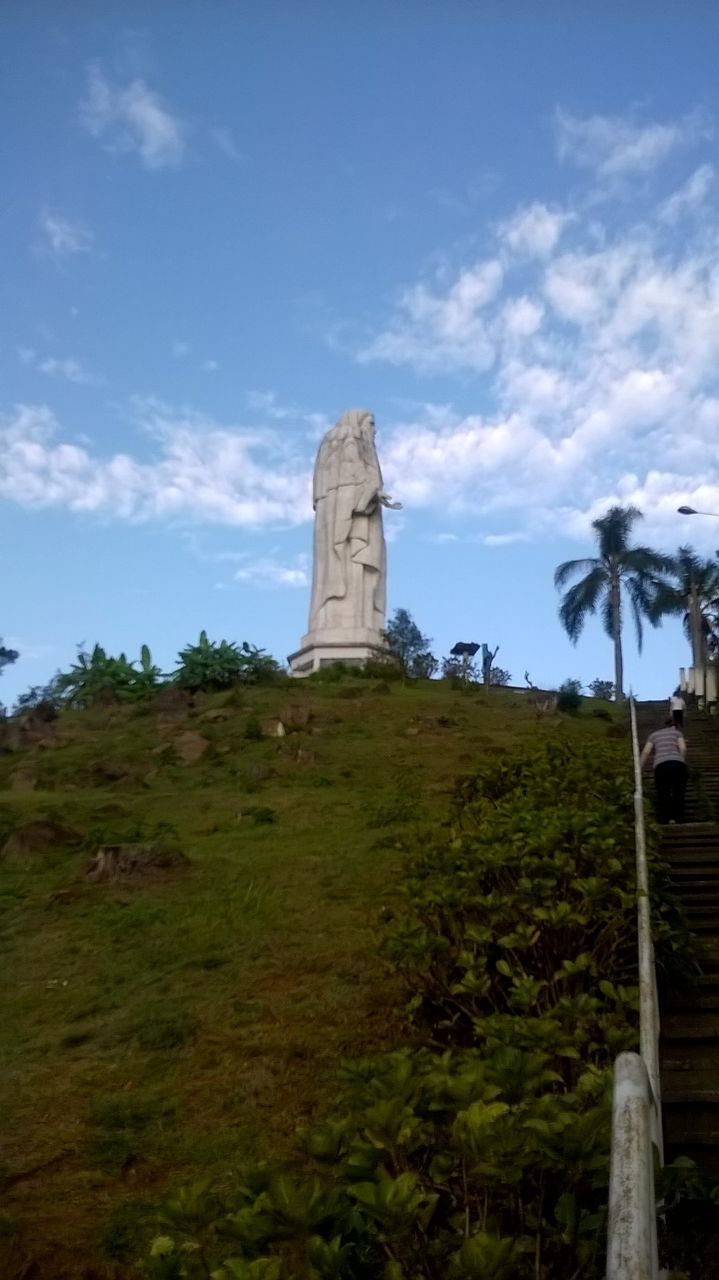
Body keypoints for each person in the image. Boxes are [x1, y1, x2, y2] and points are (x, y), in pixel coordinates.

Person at [640, 716, 688, 824]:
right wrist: (682, 760)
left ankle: (664, 818)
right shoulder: (677, 733)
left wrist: (639, 768)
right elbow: (683, 748)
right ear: (674, 725)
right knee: (679, 792)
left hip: (661, 765)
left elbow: (646, 752)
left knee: (663, 792)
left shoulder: (654, 735)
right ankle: (679, 818)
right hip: (678, 764)